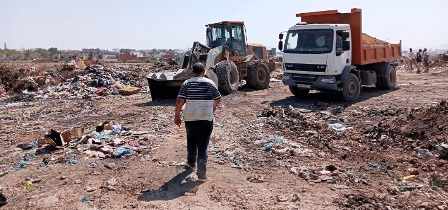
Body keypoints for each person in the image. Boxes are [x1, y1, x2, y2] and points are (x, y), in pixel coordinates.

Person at [174, 63, 221, 181]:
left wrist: (177, 115)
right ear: (204, 71)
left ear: (193, 71)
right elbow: (218, 98)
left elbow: (180, 100)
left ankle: (191, 164)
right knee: (203, 145)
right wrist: (212, 109)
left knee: (191, 141)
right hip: (206, 118)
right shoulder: (210, 83)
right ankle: (202, 174)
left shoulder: (187, 83)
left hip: (190, 118)